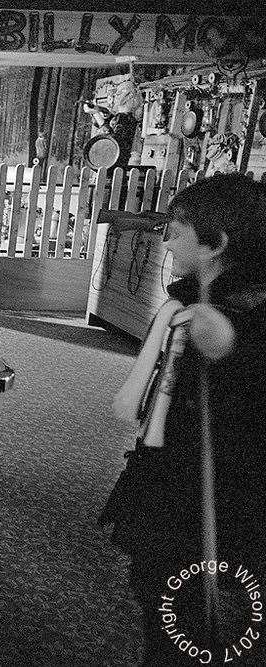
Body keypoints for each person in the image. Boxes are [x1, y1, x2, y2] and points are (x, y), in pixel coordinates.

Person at [100, 173, 266, 664]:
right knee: (165, 602)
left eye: (176, 231)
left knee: (203, 619)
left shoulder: (245, 314)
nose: (166, 242)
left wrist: (234, 346)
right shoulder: (194, 301)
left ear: (216, 245)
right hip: (175, 474)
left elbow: (245, 396)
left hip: (217, 495)